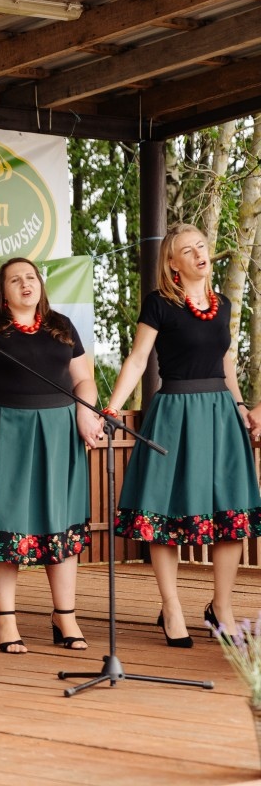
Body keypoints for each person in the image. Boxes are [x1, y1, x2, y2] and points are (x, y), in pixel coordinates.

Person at [106, 224, 261, 642]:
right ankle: (171, 606)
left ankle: (222, 606)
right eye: (186, 250)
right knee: (164, 512)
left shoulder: (224, 305)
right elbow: (138, 360)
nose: (198, 254)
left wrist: (241, 405)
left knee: (231, 512)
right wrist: (114, 405)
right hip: (174, 411)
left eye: (201, 246)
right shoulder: (159, 304)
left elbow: (225, 362)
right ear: (172, 263)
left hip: (221, 415)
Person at [0, 257, 101, 654]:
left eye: (31, 277)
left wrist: (85, 411)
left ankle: (65, 615)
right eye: (15, 279)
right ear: (3, 290)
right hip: (2, 430)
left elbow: (84, 379)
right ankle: (6, 620)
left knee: (58, 522)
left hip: (58, 432)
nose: (25, 284)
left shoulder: (61, 325)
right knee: (4, 523)